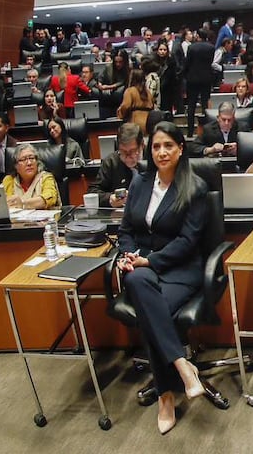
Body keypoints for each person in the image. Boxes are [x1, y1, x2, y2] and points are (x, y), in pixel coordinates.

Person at [116, 121, 208, 434]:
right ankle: (183, 368)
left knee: (152, 314)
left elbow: (188, 241)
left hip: (180, 269)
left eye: (168, 145)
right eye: (156, 146)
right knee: (138, 282)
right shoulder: (140, 183)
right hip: (142, 271)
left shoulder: (194, 188)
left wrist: (150, 260)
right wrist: (129, 257)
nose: (162, 152)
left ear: (181, 149)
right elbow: (126, 230)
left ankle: (165, 395)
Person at [87, 123, 144, 207]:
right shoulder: (111, 161)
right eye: (123, 152)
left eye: (132, 151)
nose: (128, 157)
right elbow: (93, 191)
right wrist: (109, 199)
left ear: (141, 145)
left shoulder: (152, 159)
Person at [2, 144, 61, 210]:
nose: (29, 163)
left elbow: (49, 199)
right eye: (23, 159)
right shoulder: (9, 180)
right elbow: (1, 202)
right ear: (16, 166)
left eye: (32, 158)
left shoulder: (46, 178)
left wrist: (22, 203)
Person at [184, 29, 215, 136]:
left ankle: (190, 132)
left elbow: (187, 63)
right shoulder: (211, 47)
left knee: (191, 106)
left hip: (192, 79)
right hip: (206, 78)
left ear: (198, 36)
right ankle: (207, 130)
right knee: (205, 105)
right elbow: (210, 62)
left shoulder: (191, 47)